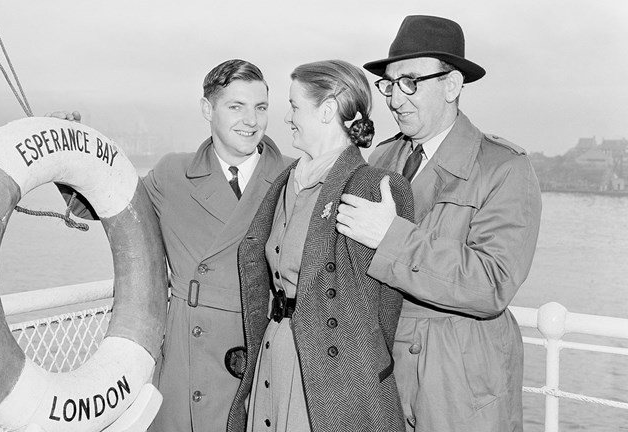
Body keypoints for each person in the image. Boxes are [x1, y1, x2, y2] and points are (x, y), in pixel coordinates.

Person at [56, 59, 289, 432]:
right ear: (206, 109)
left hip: (260, 348)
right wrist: (70, 157)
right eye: (236, 107)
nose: (252, 120)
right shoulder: (172, 173)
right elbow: (114, 207)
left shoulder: (293, 178)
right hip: (186, 350)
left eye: (260, 108)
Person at [336, 15, 543, 432]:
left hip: (459, 392)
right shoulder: (381, 158)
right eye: (390, 84)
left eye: (411, 81)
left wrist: (392, 238)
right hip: (384, 381)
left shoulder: (504, 169)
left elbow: (492, 284)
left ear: (451, 86)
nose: (395, 99)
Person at [228, 60, 414, 432]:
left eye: (295, 105)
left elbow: (384, 308)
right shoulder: (286, 181)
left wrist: (360, 374)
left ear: (327, 109)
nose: (287, 117)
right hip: (273, 354)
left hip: (330, 375)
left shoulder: (375, 187)